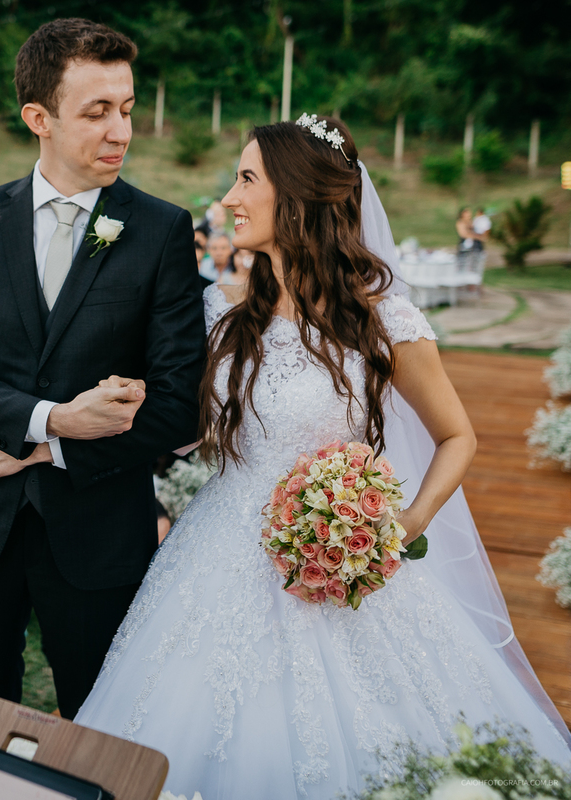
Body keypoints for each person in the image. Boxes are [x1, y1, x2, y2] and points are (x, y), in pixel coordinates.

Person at [74, 115, 571, 797]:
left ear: (298, 196)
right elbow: (191, 430)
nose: (227, 198)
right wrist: (120, 404)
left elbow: (459, 437)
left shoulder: (381, 319)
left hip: (339, 564)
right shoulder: (221, 308)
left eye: (247, 179)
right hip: (215, 553)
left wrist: (403, 525)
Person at [0, 19, 205, 721]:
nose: (121, 132)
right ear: (38, 118)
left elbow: (177, 406)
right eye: (97, 111)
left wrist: (43, 447)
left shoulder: (162, 229)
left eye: (128, 109)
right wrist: (52, 417)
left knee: (99, 724)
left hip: (99, 531)